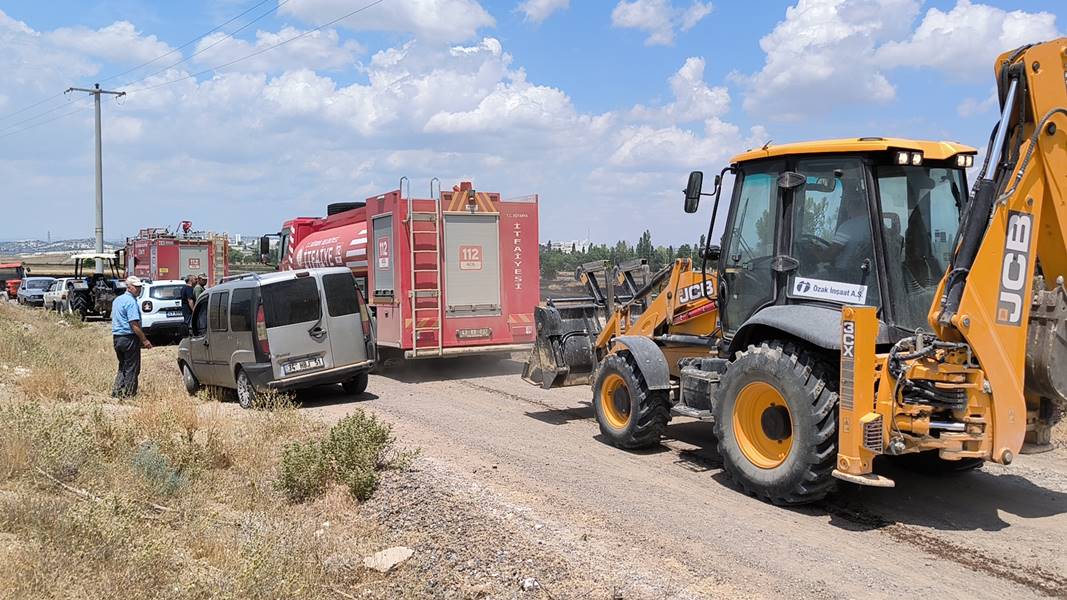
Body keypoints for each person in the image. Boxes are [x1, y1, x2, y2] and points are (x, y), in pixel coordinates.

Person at [111, 275, 152, 398]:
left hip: (117, 337)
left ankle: (117, 391)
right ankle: (129, 394)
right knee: (132, 368)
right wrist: (144, 340)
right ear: (129, 288)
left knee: (123, 365)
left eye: (139, 287)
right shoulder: (131, 302)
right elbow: (133, 323)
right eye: (136, 287)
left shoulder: (117, 300)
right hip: (128, 337)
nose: (139, 289)